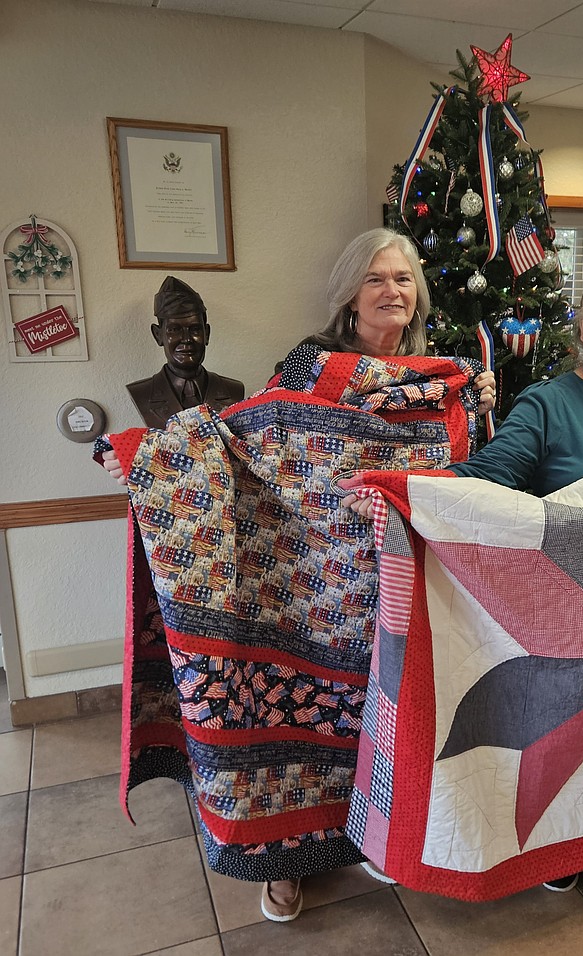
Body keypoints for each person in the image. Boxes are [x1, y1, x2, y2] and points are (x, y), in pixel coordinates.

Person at [105, 229, 495, 921]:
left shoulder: (447, 379)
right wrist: (146, 454)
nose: (391, 291)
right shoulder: (311, 368)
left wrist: (482, 406)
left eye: (403, 279)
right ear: (350, 291)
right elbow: (243, 437)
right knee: (298, 726)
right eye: (376, 278)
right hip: (310, 582)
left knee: (394, 717)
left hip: (410, 582)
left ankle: (379, 834)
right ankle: (282, 864)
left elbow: (474, 476)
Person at [341, 267, 583, 893]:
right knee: (567, 730)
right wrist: (409, 496)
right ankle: (565, 843)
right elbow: (496, 470)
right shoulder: (548, 401)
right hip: (580, 602)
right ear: (579, 329)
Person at [126, 276, 245, 429]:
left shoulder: (233, 390)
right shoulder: (142, 394)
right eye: (174, 330)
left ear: (206, 334)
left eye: (195, 329)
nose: (186, 339)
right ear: (158, 335)